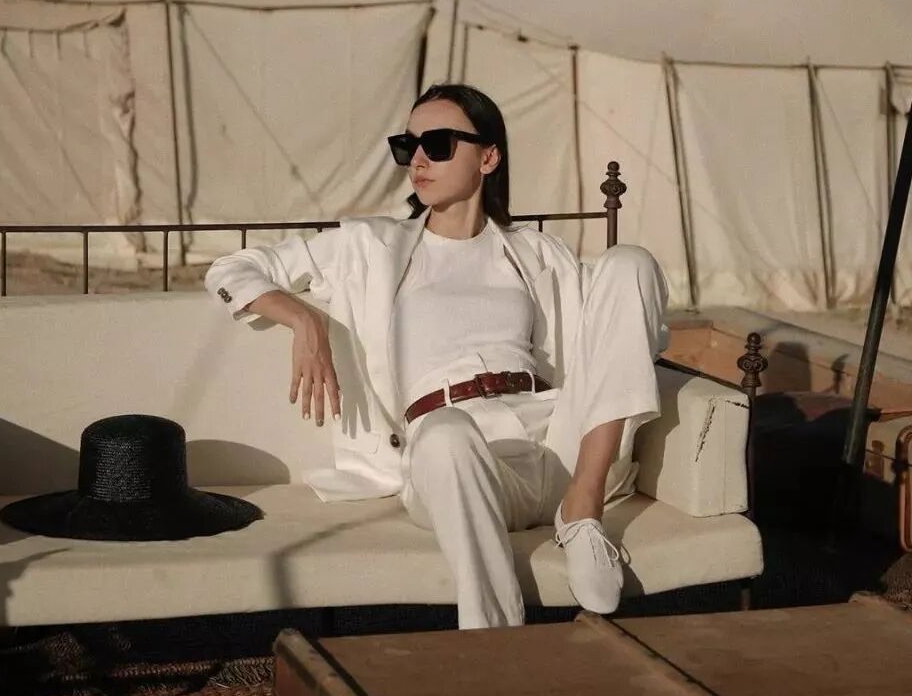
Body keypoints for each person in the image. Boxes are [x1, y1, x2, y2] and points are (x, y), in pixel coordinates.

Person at [205, 83, 669, 629]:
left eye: (439, 144)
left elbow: (627, 326)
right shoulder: (370, 246)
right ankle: (497, 645)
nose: (418, 160)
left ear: (488, 158)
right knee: (446, 433)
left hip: (555, 442)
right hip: (452, 459)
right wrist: (304, 320)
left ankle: (582, 512)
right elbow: (231, 269)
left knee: (631, 260)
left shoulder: (535, 252)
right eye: (408, 146)